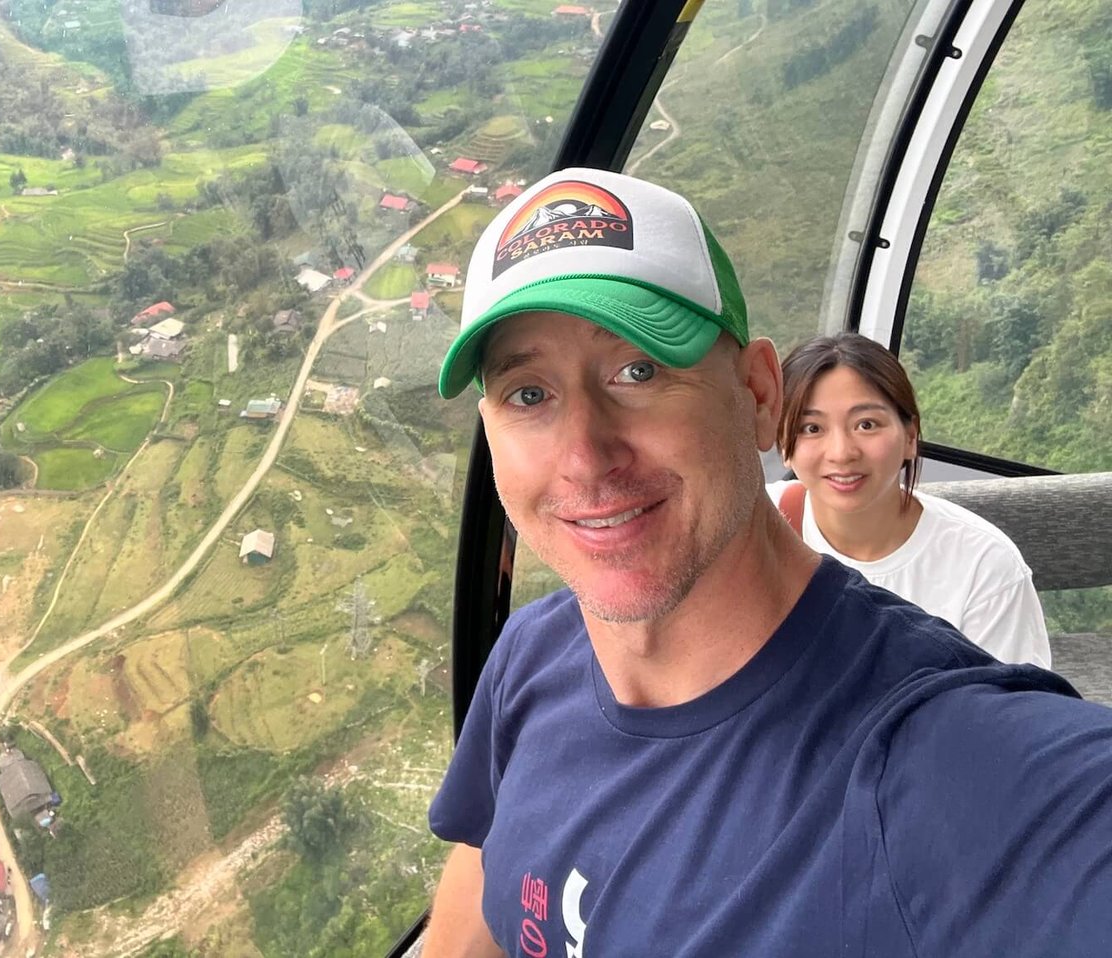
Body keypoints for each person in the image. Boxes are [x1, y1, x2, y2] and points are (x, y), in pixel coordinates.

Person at [423, 166, 1112, 957]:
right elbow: (483, 872)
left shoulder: (924, 765)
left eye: (637, 371)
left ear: (757, 395)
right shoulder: (531, 655)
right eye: (529, 395)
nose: (584, 457)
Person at [768, 333, 1051, 667]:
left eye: (866, 424)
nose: (842, 453)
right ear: (784, 444)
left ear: (910, 437)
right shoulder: (754, 528)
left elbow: (1007, 711)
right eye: (812, 428)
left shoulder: (983, 565)